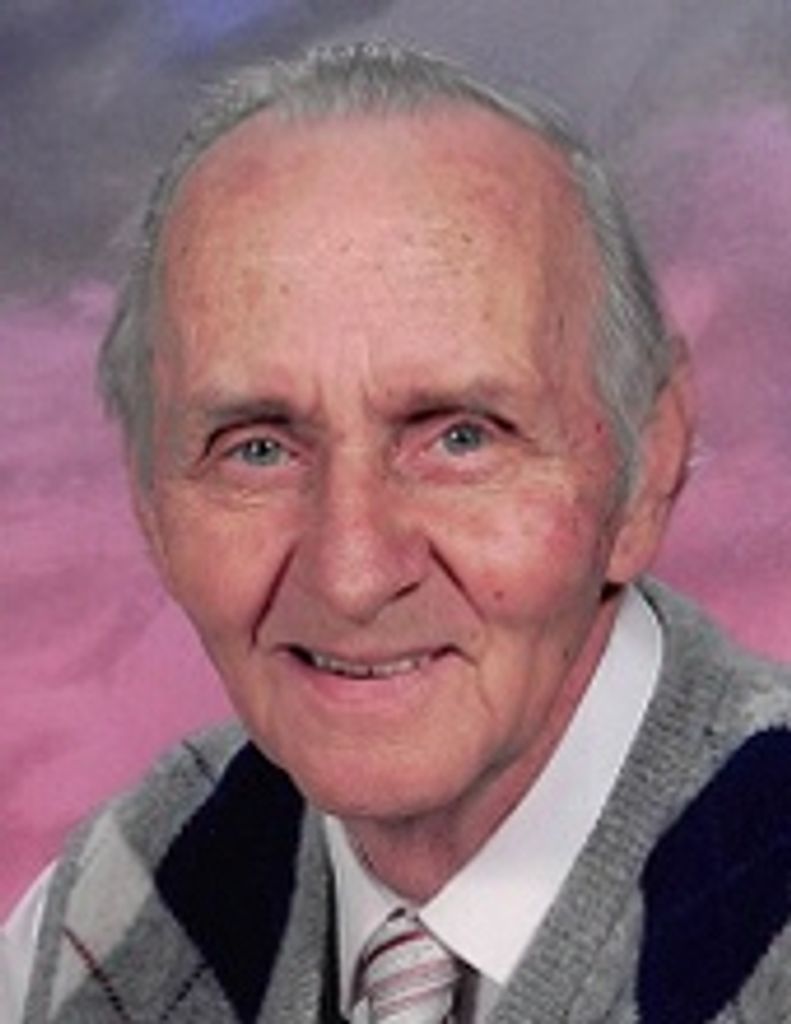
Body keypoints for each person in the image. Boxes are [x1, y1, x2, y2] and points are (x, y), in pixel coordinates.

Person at [8, 40, 791, 1024]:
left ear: (645, 463)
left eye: (460, 437)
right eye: (257, 449)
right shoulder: (102, 924)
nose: (351, 573)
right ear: (149, 501)